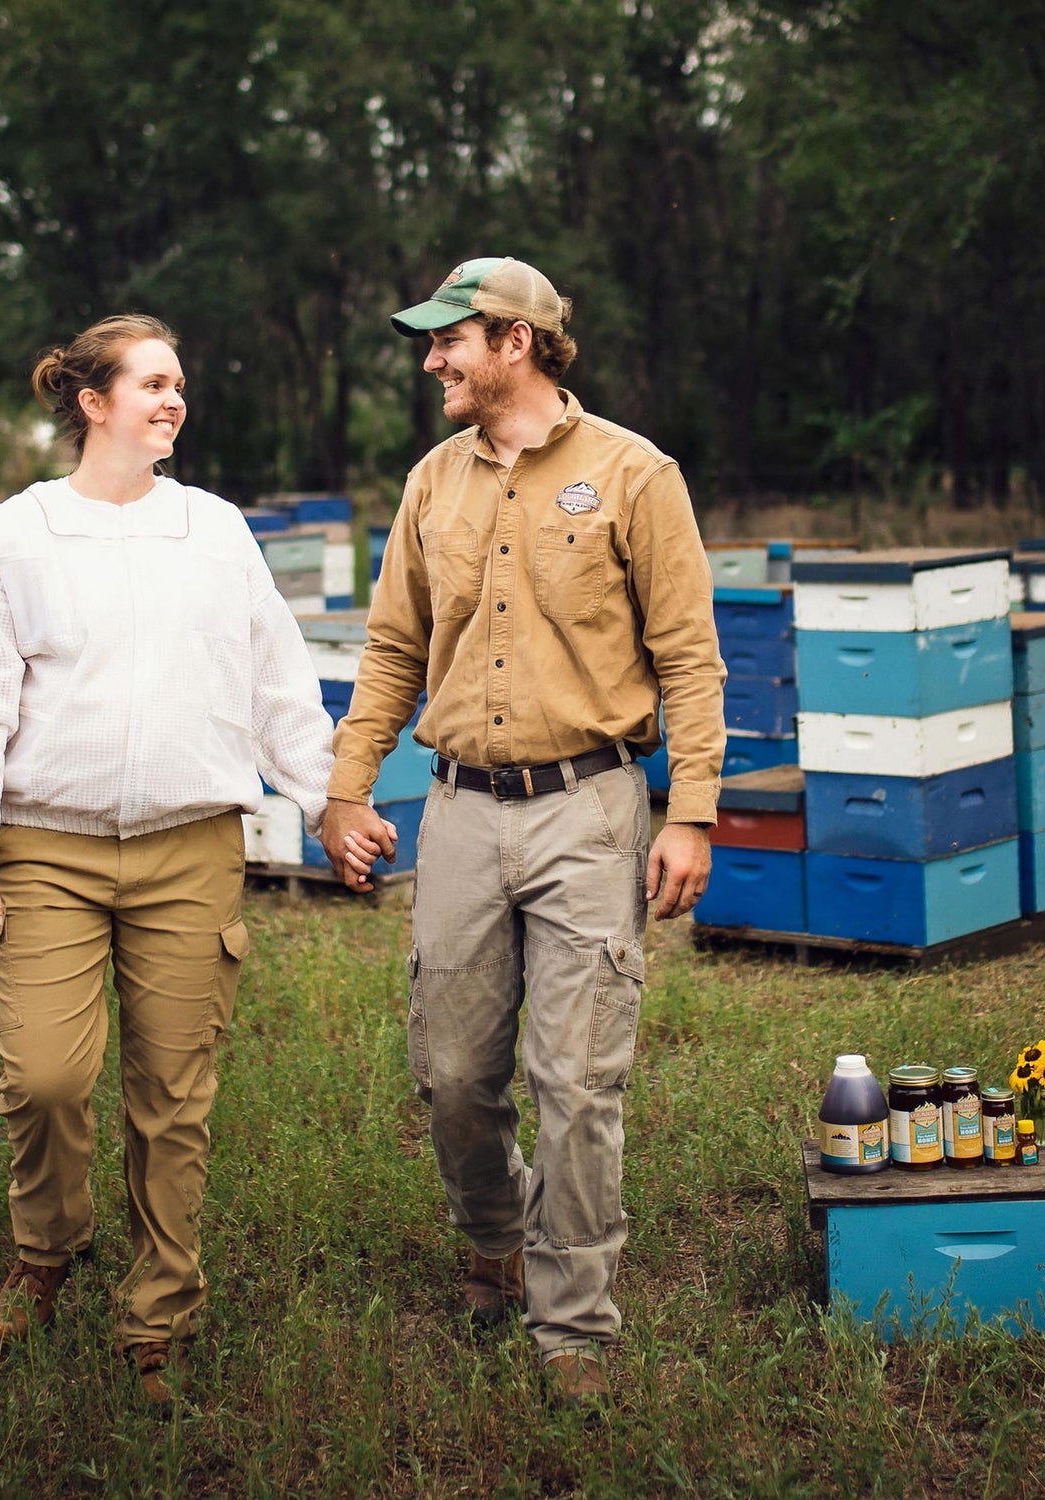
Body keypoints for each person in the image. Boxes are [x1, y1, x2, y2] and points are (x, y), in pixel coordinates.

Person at [0, 314, 389, 1406]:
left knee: (174, 1096)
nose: (174, 402)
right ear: (93, 402)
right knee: (44, 1076)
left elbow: (276, 684)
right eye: (154, 384)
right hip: (48, 850)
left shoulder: (216, 532)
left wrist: (327, 801)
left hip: (190, 852)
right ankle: (49, 1244)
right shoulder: (15, 539)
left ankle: (158, 1316)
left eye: (179, 386)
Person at [322, 257, 726, 1411]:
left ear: (513, 342)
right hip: (457, 810)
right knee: (452, 1075)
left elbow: (689, 656)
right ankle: (496, 1235)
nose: (431, 360)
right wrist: (351, 789)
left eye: (448, 340)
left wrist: (690, 812)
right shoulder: (431, 484)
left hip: (591, 807)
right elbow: (395, 648)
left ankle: (575, 1327)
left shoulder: (635, 475)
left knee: (578, 1079)